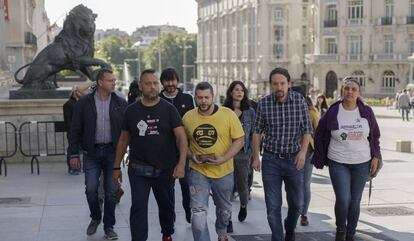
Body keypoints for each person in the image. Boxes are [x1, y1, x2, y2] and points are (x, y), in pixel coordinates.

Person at [112, 69, 188, 241]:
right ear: (140, 86)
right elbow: (123, 140)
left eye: (155, 83)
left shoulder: (169, 110)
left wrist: (181, 164)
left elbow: (181, 138)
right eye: (148, 83)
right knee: (138, 207)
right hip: (138, 169)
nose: (152, 87)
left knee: (166, 207)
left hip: (165, 168)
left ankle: (167, 234)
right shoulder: (131, 111)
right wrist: (116, 167)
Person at [312, 77, 381, 241]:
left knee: (355, 200)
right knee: (343, 199)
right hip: (338, 162)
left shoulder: (366, 112)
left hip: (362, 163)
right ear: (342, 90)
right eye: (347, 88)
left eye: (353, 89)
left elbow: (375, 136)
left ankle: (351, 232)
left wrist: (375, 156)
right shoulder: (333, 111)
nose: (350, 91)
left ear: (358, 93)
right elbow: (320, 134)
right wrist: (319, 155)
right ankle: (341, 230)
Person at [252, 67, 312, 241]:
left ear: (289, 84)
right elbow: (256, 132)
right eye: (275, 84)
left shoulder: (299, 101)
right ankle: (278, 237)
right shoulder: (264, 103)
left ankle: (290, 226)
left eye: (282, 83)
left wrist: (302, 153)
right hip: (271, 160)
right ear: (270, 85)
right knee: (272, 206)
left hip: (294, 160)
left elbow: (307, 130)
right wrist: (256, 157)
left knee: (298, 203)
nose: (279, 87)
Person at [69, 68, 127, 240]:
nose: (114, 83)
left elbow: (127, 130)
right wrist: (73, 154)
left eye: (114, 81)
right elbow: (75, 129)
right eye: (110, 80)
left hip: (112, 153)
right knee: (91, 189)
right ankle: (96, 217)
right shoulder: (84, 103)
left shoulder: (120, 102)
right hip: (91, 153)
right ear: (100, 82)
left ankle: (109, 226)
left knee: (110, 192)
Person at [183, 82, 244, 241]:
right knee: (198, 212)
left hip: (224, 171)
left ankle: (222, 230)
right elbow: (182, 143)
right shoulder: (188, 117)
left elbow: (239, 140)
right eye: (200, 97)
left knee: (224, 210)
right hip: (198, 171)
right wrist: (191, 155)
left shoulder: (227, 114)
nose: (203, 101)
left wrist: (224, 158)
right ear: (195, 98)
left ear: (213, 97)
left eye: (206, 97)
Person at [159, 67, 195, 223]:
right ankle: (171, 214)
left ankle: (188, 208)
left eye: (173, 80)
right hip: (164, 151)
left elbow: (194, 121)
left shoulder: (187, 98)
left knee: (186, 183)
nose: (170, 83)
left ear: (177, 81)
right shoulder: (158, 99)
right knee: (168, 187)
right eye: (167, 80)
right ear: (162, 82)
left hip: (184, 149)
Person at [223, 81, 255, 231]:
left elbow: (255, 134)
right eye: (236, 90)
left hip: (243, 154)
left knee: (243, 185)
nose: (239, 92)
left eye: (242, 90)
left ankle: (243, 205)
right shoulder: (223, 111)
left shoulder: (250, 111)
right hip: (227, 153)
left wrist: (255, 155)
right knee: (227, 186)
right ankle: (227, 219)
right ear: (231, 92)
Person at [63, 82, 93, 175]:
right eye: (80, 92)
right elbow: (68, 120)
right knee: (73, 150)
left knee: (84, 150)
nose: (82, 93)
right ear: (75, 92)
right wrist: (73, 131)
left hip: (84, 132)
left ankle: (83, 167)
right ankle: (73, 168)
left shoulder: (84, 103)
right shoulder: (68, 104)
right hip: (74, 132)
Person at [300, 96, 320, 226]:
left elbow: (318, 131)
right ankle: (295, 210)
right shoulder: (289, 110)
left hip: (307, 153)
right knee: (294, 185)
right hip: (291, 153)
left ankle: (304, 213)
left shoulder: (311, 112)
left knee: (305, 183)